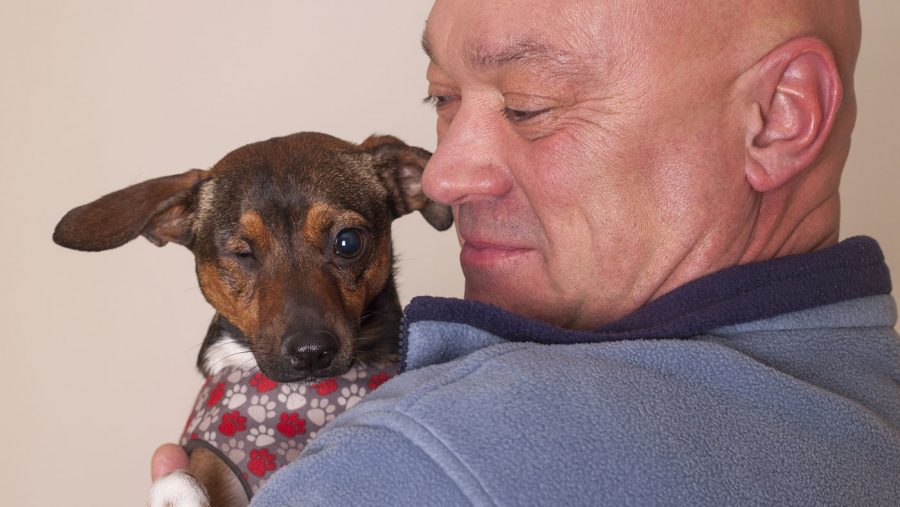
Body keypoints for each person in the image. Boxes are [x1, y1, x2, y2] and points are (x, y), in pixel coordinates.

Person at [154, 0, 900, 504]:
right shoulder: (873, 400)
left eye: (527, 106)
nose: (444, 175)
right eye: (442, 98)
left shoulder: (422, 453)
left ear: (778, 119)